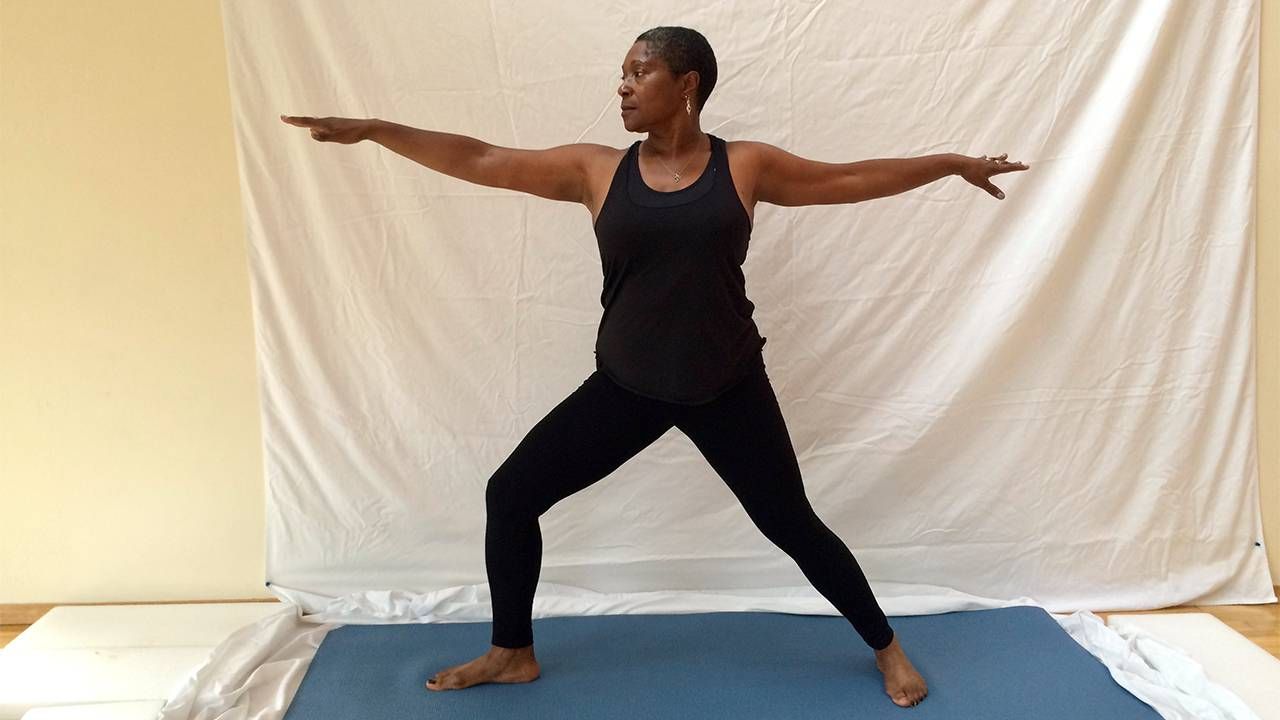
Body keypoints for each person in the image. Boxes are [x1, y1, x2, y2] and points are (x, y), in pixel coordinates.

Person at [281, 25, 1028, 709]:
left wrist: (947, 166)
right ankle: (512, 652)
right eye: (623, 74)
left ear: (688, 85)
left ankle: (887, 649)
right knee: (510, 494)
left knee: (792, 524)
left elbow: (846, 179)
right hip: (627, 387)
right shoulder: (596, 171)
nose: (623, 87)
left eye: (640, 72)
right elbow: (482, 158)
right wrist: (377, 130)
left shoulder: (747, 166)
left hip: (727, 386)